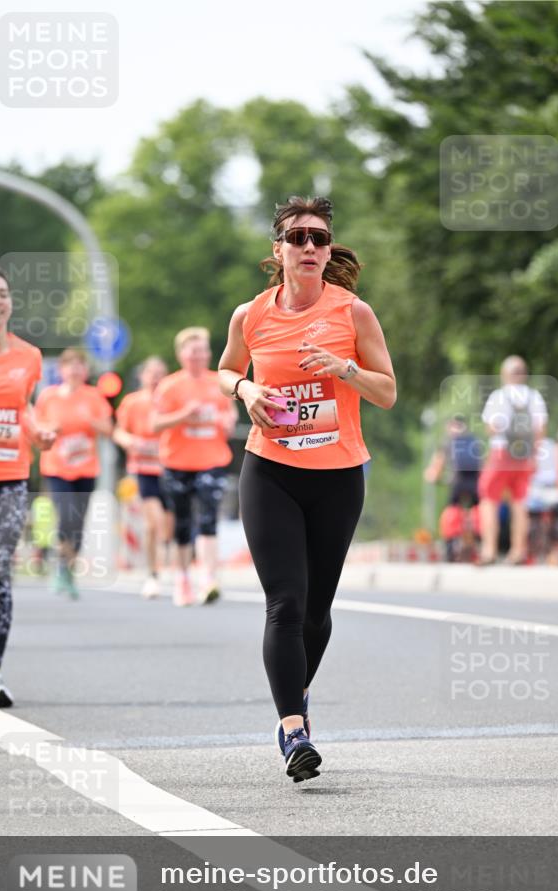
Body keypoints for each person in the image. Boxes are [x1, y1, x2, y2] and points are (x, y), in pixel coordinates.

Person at [218, 195, 396, 782]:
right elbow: (226, 369)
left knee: (317, 612)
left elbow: (387, 392)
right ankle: (294, 730)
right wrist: (246, 390)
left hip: (338, 477)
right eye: (298, 238)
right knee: (286, 602)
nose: (310, 247)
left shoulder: (353, 313)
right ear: (279, 250)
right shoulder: (251, 315)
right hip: (270, 471)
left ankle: (295, 693)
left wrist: (344, 369)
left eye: (319, 238)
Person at [0, 267, 55, 707]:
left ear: (10, 303)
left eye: (2, 293)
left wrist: (39, 432)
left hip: (11, 477)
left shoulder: (29, 356)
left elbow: (24, 407)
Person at [152, 328, 237, 607]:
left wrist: (227, 422)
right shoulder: (170, 386)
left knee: (209, 517)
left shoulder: (219, 382)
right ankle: (182, 579)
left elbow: (229, 413)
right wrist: (183, 415)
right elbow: (155, 423)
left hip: (212, 460)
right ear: (181, 355)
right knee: (182, 522)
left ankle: (208, 578)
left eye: (203, 350)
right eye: (194, 351)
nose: (199, 356)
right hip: (177, 462)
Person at [34, 348, 113, 598]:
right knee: (66, 515)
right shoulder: (48, 397)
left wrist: (93, 422)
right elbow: (36, 427)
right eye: (70, 366)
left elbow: (109, 429)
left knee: (78, 522)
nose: (75, 370)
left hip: (86, 468)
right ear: (62, 370)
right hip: (56, 468)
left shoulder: (94, 397)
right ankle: (61, 567)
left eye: (80, 365)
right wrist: (51, 428)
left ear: (86, 371)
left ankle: (67, 570)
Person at [478, 355, 548, 565]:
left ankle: (489, 550)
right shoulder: (534, 397)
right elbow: (540, 430)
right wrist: (534, 456)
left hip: (501, 454)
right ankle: (518, 551)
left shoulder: (499, 396)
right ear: (524, 374)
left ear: (505, 374)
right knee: (519, 503)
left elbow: (490, 428)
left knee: (489, 500)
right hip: (524, 456)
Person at [114, 356, 172, 598]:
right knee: (153, 523)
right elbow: (119, 431)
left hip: (171, 467)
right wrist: (129, 441)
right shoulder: (132, 402)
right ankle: (153, 575)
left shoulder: (171, 400)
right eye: (152, 373)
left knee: (168, 526)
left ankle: (167, 568)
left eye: (161, 373)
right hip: (144, 468)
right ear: (142, 376)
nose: (156, 378)